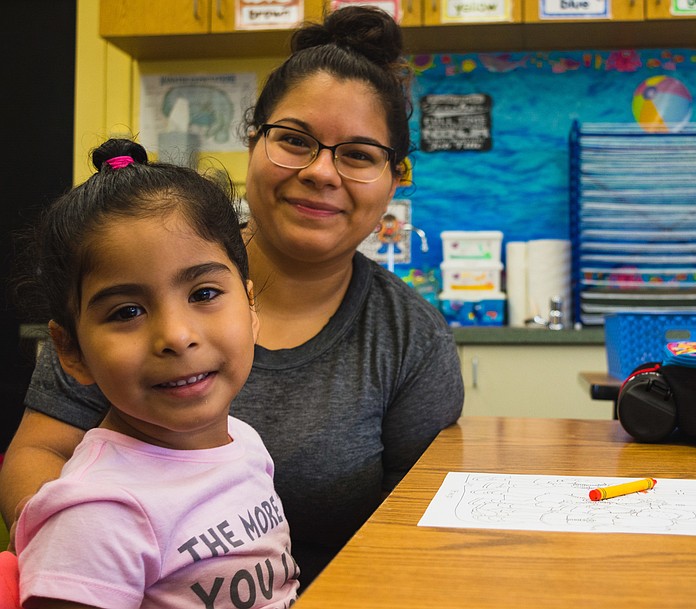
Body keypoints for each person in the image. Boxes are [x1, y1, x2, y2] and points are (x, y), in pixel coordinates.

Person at [0, 5, 464, 589]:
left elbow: (414, 521)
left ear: (397, 179)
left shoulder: (410, 336)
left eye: (358, 154)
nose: (322, 172)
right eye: (295, 140)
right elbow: (37, 453)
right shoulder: (126, 293)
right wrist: (93, 560)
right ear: (253, 143)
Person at [11, 139, 299, 608]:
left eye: (204, 294)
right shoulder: (95, 517)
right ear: (71, 351)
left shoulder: (243, 443)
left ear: (250, 306)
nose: (176, 335)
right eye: (127, 311)